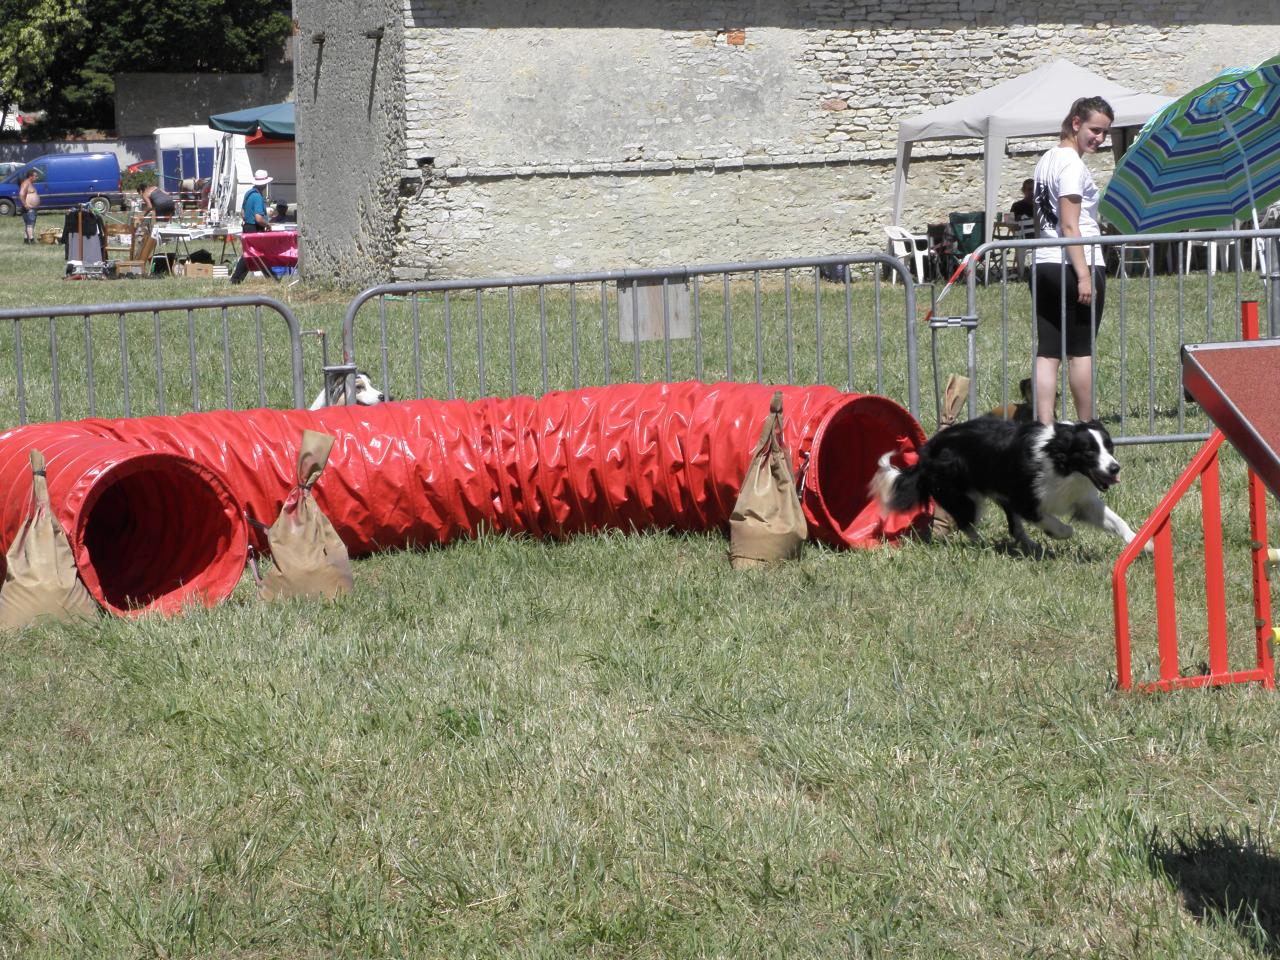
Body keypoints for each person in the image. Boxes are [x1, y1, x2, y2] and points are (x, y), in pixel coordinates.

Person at [1029, 96, 1114, 425]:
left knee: (1048, 351)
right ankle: (1086, 426)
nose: (1100, 138)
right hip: (1073, 262)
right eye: (1095, 130)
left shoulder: (1045, 161)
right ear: (1076, 123)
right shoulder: (1072, 164)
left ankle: (1045, 427)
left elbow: (1043, 221)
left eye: (1105, 133)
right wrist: (1083, 275)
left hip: (1044, 261)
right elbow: (1069, 223)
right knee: (1080, 351)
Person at [230, 170, 273, 284]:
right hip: (254, 228)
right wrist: (267, 224)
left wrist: (247, 219)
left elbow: (242, 213)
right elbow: (258, 218)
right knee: (251, 254)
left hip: (247, 227)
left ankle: (271, 277)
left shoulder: (248, 193)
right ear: (264, 184)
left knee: (256, 254)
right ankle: (235, 279)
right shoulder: (258, 197)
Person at [18, 168, 39, 244]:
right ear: (30, 176)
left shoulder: (30, 184)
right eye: (35, 176)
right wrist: (25, 205)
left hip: (31, 208)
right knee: (30, 224)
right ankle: (32, 240)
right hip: (28, 208)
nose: (37, 178)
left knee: (28, 224)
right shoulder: (26, 183)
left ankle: (26, 240)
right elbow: (21, 194)